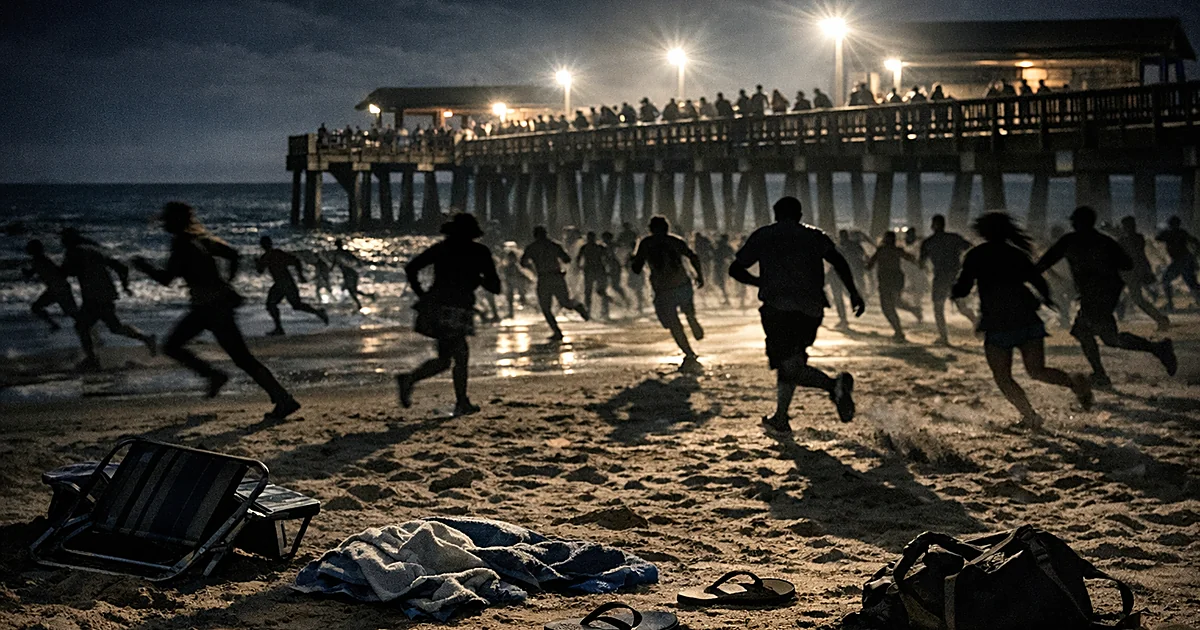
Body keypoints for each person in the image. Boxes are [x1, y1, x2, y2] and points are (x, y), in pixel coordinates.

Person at [133, 202, 299, 419]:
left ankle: (218, 377)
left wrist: (143, 265)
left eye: (167, 219)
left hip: (209, 308)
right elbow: (233, 254)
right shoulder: (201, 240)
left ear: (176, 221)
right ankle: (278, 396)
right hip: (215, 304)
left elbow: (166, 279)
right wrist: (226, 283)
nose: (164, 223)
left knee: (174, 346)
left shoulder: (182, 243)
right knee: (240, 357)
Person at [730, 196, 864, 432]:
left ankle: (834, 386)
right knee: (792, 360)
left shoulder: (764, 235)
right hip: (811, 309)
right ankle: (781, 417)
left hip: (778, 308)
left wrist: (759, 281)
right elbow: (839, 261)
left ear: (775, 213)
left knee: (789, 363)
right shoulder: (814, 235)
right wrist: (853, 292)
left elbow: (736, 269)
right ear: (800, 215)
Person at [952, 213, 1092, 430]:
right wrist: (1047, 301)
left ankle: (1030, 416)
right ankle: (1075, 383)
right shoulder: (1016, 254)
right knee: (1037, 371)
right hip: (1027, 320)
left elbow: (963, 287)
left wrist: (953, 291)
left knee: (1003, 378)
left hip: (997, 323)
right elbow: (1038, 281)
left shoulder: (976, 255)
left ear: (984, 232)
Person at [1036, 206, 1176, 387]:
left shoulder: (1071, 241)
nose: (1072, 224)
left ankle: (1104, 373)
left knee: (1085, 332)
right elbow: (1126, 264)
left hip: (1096, 294)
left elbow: (1045, 262)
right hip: (1107, 292)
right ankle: (1157, 349)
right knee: (1107, 338)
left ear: (1078, 222)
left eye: (1074, 221)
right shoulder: (1104, 241)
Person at [396, 214, 500, 417]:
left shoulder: (442, 248)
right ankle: (456, 400)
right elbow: (495, 286)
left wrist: (422, 294)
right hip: (457, 309)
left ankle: (413, 380)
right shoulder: (479, 252)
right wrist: (478, 278)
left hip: (436, 306)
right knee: (459, 356)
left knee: (447, 359)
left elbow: (411, 268)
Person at [61, 228, 157, 370]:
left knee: (82, 326)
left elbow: (66, 272)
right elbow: (121, 267)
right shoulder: (94, 250)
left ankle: (92, 359)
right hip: (106, 293)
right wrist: (125, 286)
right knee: (114, 327)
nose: (62, 242)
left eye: (63, 239)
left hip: (93, 296)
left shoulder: (73, 252)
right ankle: (146, 338)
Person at [631, 216, 705, 371]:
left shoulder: (646, 243)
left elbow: (636, 268)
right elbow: (693, 256)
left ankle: (689, 352)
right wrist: (699, 275)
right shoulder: (675, 241)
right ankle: (692, 320)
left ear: (651, 228)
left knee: (672, 324)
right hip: (682, 284)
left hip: (663, 289)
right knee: (686, 313)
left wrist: (633, 258)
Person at [521, 226, 589, 340]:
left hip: (544, 278)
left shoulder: (532, 247)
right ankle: (577, 307)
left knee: (546, 307)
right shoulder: (553, 245)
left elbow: (523, 262)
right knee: (564, 302)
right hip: (556, 276)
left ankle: (557, 331)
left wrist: (533, 267)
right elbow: (566, 259)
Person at [920, 215, 978, 345]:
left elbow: (921, 263)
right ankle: (978, 325)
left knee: (938, 307)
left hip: (940, 278)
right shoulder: (954, 238)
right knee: (962, 307)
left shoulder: (929, 242)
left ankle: (944, 338)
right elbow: (971, 248)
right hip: (955, 277)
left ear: (932, 225)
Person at [257, 236, 328, 336]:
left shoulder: (274, 254)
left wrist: (300, 275)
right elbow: (295, 261)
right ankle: (279, 328)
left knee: (292, 305)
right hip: (282, 284)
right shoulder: (270, 255)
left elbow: (295, 261)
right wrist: (300, 275)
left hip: (285, 283)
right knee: (280, 305)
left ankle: (319, 313)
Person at [1116, 216, 1170, 330]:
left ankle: (1160, 319)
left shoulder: (1134, 239)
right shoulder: (1135, 238)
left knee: (1137, 299)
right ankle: (1160, 319)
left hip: (1131, 273)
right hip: (1130, 273)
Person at [866, 231, 921, 342]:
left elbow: (869, 265)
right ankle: (913, 311)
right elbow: (910, 258)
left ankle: (899, 330)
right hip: (896, 280)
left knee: (887, 307)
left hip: (886, 281)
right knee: (895, 303)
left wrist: (866, 262)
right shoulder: (895, 250)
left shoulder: (881, 250)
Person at [24, 239, 78, 333]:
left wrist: (27, 273)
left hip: (59, 289)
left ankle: (89, 327)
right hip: (55, 289)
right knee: (36, 307)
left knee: (73, 313)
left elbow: (35, 272)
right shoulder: (40, 260)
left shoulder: (41, 260)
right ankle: (54, 325)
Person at [1156, 215, 1200, 311]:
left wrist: (1162, 229)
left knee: (1166, 280)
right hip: (1184, 260)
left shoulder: (1171, 233)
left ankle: (1170, 305)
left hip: (1181, 261)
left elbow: (1158, 237)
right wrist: (1195, 256)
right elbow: (1195, 241)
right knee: (1192, 284)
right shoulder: (1181, 233)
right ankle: (1170, 304)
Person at [577, 231, 612, 319]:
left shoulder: (588, 247)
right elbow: (607, 259)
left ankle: (599, 311)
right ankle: (597, 311)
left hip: (593, 270)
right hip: (596, 270)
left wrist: (579, 267)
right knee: (592, 292)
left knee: (594, 291)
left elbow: (578, 259)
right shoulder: (598, 247)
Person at [331, 238, 372, 309]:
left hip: (349, 274)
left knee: (351, 290)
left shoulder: (338, 254)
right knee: (352, 290)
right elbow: (355, 259)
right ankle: (364, 300)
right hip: (350, 273)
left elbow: (334, 264)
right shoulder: (344, 252)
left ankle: (361, 302)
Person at [501, 250, 529, 319]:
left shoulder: (514, 266)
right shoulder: (508, 266)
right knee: (511, 299)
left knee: (520, 297)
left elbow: (522, 274)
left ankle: (513, 312)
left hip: (516, 283)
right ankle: (511, 313)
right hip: (512, 284)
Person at [711, 234, 734, 305]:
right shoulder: (727, 247)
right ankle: (726, 298)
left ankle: (726, 299)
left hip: (719, 266)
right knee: (721, 282)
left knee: (720, 282)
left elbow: (714, 254)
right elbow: (732, 255)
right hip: (724, 266)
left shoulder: (720, 246)